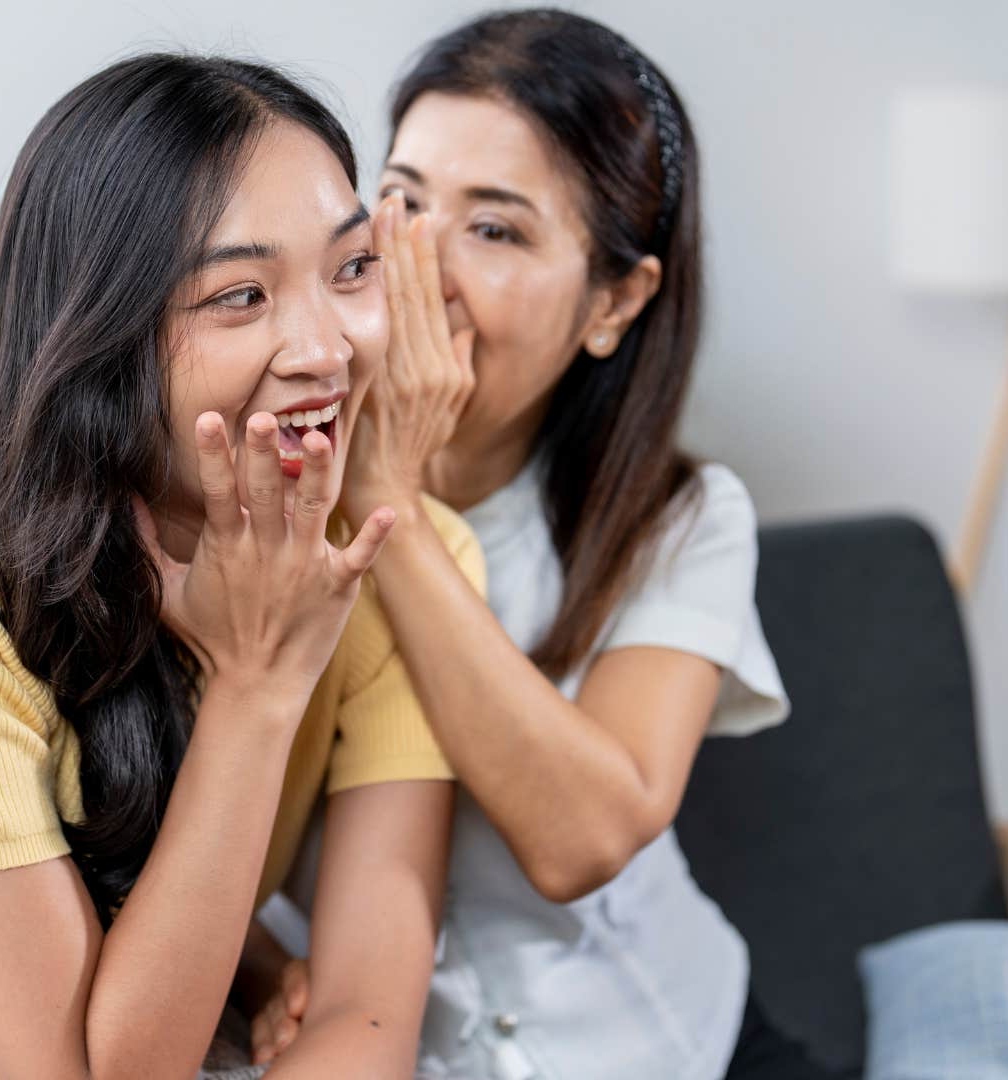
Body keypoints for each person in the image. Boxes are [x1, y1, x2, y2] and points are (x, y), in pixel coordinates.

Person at [0, 53, 481, 1079]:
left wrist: (265, 975)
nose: (324, 348)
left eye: (351, 269)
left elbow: (364, 1021)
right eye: (240, 295)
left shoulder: (400, 563)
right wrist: (255, 689)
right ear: (102, 336)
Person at [274, 10, 795, 1079]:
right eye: (403, 200)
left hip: (665, 1046)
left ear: (615, 299)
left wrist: (393, 504)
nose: (422, 264)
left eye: (496, 230)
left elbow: (582, 839)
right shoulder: (261, 481)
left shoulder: (682, 517)